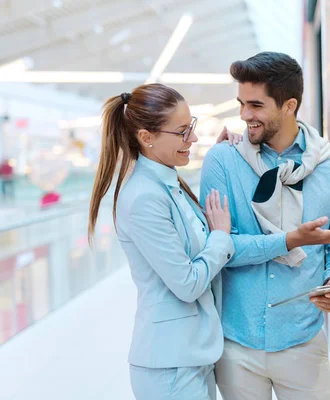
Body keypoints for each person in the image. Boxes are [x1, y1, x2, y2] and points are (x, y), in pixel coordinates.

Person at [200, 52, 330, 400]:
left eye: (256, 105)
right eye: (241, 104)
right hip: (235, 344)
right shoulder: (223, 161)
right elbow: (217, 249)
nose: (245, 116)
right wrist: (288, 241)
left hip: (303, 338)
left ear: (289, 105)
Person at [87, 83, 236, 400]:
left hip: (191, 357)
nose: (192, 139)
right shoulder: (143, 198)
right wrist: (220, 236)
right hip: (170, 369)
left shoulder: (169, 184)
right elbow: (187, 283)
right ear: (146, 137)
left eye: (191, 127)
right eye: (182, 132)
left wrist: (219, 157)